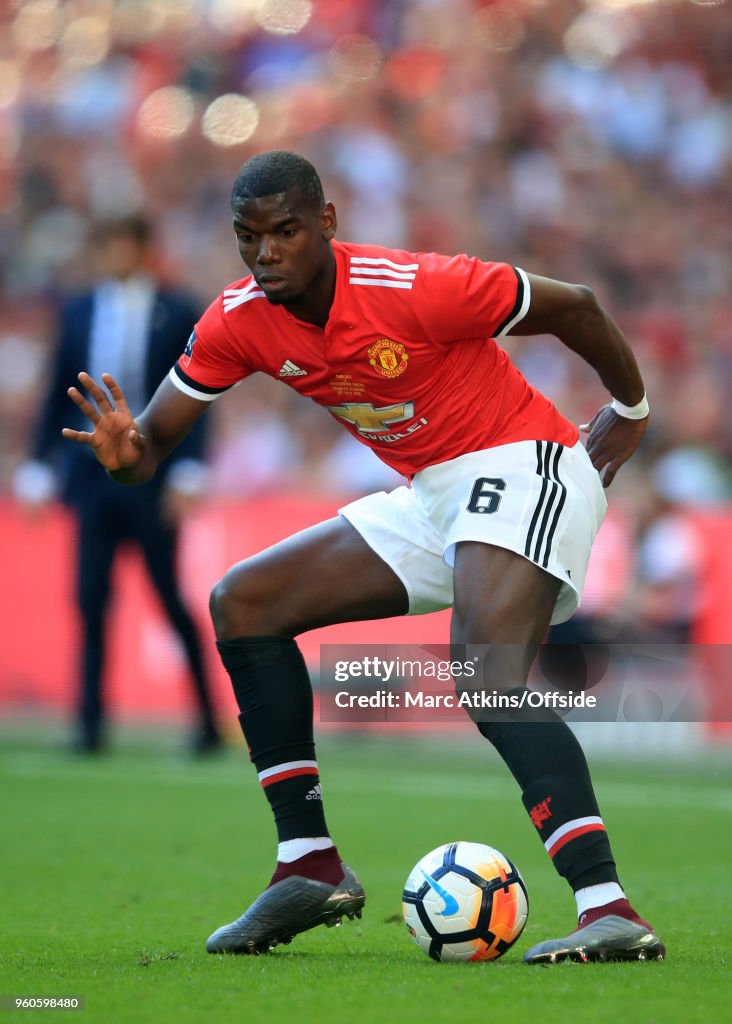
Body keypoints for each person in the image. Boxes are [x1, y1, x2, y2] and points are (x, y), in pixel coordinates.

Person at [61, 151, 664, 963]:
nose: (266, 252)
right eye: (249, 237)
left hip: (523, 461)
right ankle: (308, 865)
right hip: (431, 493)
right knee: (245, 603)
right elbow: (150, 447)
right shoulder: (240, 317)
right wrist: (123, 454)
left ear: (327, 224)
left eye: (285, 231)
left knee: (486, 677)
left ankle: (608, 906)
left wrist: (630, 407)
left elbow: (576, 305)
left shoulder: (414, 285)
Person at [19, 215, 221, 755]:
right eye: (107, 245)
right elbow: (57, 392)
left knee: (168, 598)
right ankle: (90, 724)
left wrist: (190, 468)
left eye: (123, 244)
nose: (115, 255)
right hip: (90, 475)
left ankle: (207, 720)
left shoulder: (177, 309)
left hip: (150, 473)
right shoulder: (81, 309)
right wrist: (38, 465)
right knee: (90, 599)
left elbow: (199, 394)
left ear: (143, 249)